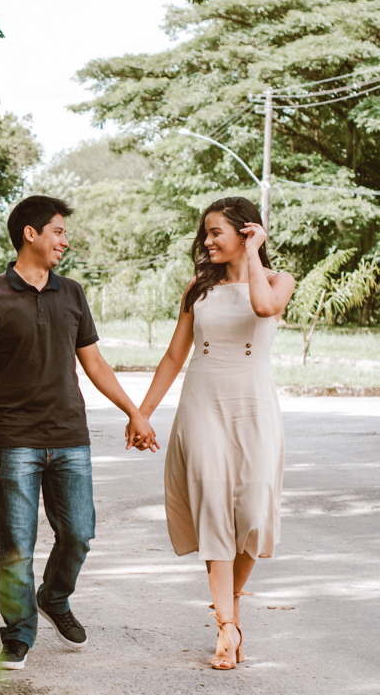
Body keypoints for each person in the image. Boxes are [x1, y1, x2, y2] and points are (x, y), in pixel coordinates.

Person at [0, 195, 159, 670]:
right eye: (58, 231)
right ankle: (17, 634)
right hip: (13, 439)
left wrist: (134, 411)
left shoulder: (72, 293)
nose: (64, 241)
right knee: (15, 543)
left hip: (70, 434)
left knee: (79, 533)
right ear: (30, 233)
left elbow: (93, 362)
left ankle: (53, 597)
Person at [137, 196, 294, 671]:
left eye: (215, 233)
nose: (206, 241)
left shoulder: (277, 280)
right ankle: (226, 626)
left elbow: (264, 308)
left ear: (247, 234)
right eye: (204, 233)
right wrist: (141, 413)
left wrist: (255, 254)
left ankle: (233, 603)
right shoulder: (196, 288)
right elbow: (173, 356)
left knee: (253, 509)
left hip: (254, 406)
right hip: (203, 405)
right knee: (213, 510)